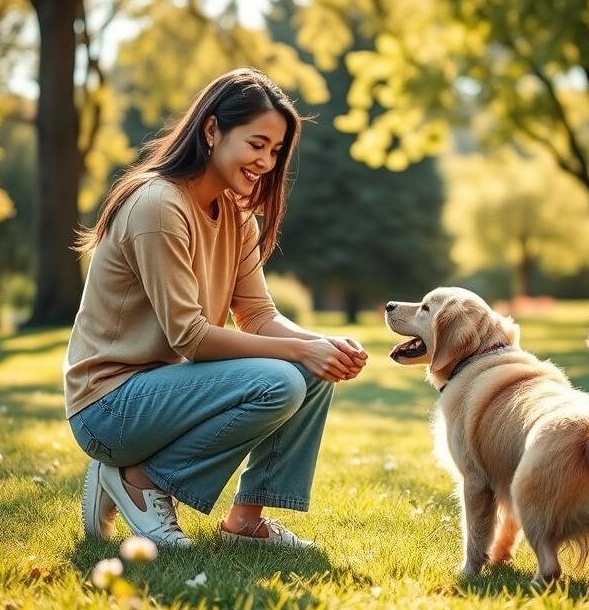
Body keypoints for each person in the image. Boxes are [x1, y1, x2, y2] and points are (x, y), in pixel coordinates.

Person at [64, 68, 367, 549]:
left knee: (311, 372)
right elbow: (191, 337)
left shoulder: (236, 213)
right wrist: (298, 352)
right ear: (212, 131)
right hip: (109, 408)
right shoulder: (158, 206)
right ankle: (137, 481)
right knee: (283, 377)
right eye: (257, 143)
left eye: (275, 151)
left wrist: (319, 346)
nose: (266, 161)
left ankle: (246, 521)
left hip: (167, 396)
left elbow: (259, 315)